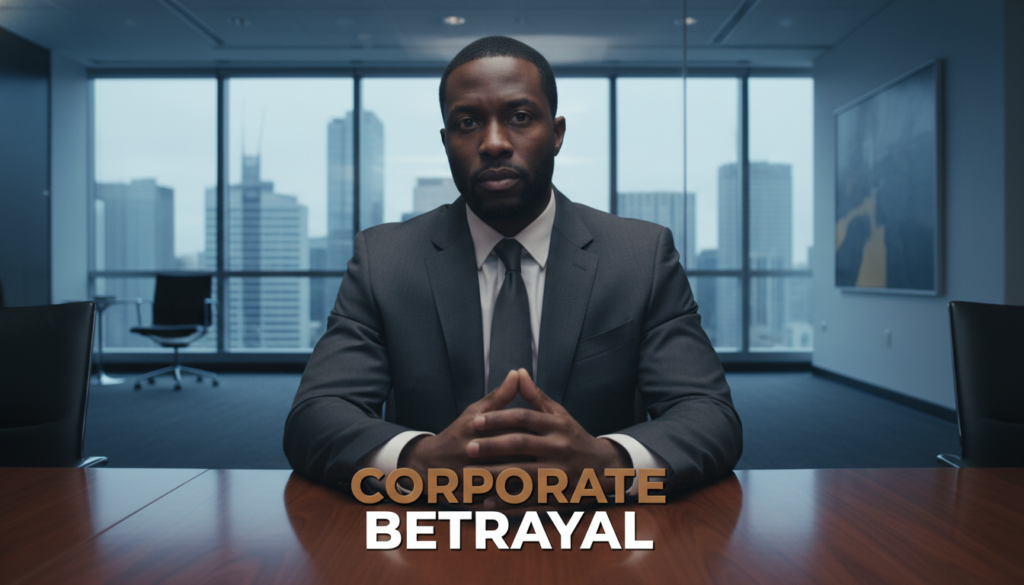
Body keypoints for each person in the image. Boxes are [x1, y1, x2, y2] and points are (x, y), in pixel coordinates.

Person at [284, 36, 742, 500]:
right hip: (432, 534)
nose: (494, 143)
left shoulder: (640, 256)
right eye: (467, 123)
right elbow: (317, 414)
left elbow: (708, 415)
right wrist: (419, 460)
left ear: (557, 133)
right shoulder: (385, 260)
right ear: (446, 143)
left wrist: (609, 462)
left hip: (597, 534)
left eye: (520, 117)